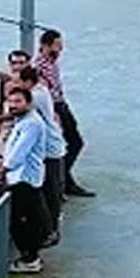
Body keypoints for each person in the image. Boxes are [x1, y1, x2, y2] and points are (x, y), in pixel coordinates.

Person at [8, 58, 66, 242]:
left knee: (48, 192)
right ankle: (51, 229)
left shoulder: (36, 96)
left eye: (19, 83)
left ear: (27, 83)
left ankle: (50, 231)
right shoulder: (40, 90)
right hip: (51, 146)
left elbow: (20, 111)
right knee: (50, 190)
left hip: (49, 149)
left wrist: (2, 118)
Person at [36, 29, 94, 198]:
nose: (60, 49)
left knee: (73, 143)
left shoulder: (52, 62)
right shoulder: (40, 66)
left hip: (60, 104)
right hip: (55, 107)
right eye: (57, 45)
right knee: (73, 143)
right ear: (45, 46)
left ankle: (65, 179)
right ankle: (64, 180)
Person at [0, 84, 50, 274]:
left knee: (20, 222)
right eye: (10, 101)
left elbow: (20, 151)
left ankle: (30, 259)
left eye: (18, 101)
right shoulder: (24, 120)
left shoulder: (32, 124)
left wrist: (4, 169)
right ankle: (30, 257)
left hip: (24, 180)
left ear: (28, 103)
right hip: (24, 179)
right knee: (27, 220)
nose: (13, 105)